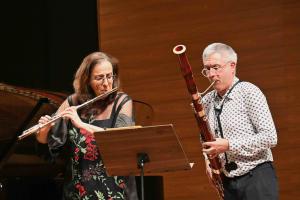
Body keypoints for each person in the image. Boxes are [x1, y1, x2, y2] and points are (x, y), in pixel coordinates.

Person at [36, 52, 138, 200]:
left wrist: (81, 124)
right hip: (77, 193)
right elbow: (49, 154)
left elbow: (120, 139)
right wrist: (43, 133)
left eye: (110, 76)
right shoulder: (73, 102)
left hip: (116, 192)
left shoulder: (122, 101)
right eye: (99, 78)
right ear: (87, 80)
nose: (106, 83)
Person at [200, 43, 278, 199]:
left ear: (232, 66)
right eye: (207, 69)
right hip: (228, 181)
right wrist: (207, 162)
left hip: (256, 176)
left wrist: (229, 145)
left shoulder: (248, 91)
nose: (211, 74)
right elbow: (205, 139)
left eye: (216, 67)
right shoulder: (207, 100)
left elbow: (270, 137)